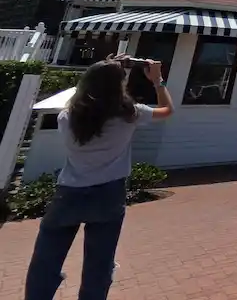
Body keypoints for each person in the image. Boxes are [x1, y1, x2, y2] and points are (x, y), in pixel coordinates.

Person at [25, 54, 174, 300]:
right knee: (99, 264)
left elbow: (88, 92)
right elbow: (167, 110)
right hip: (108, 194)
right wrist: (158, 81)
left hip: (70, 192)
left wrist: (107, 65)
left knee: (45, 261)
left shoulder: (68, 116)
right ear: (119, 86)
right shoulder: (129, 115)